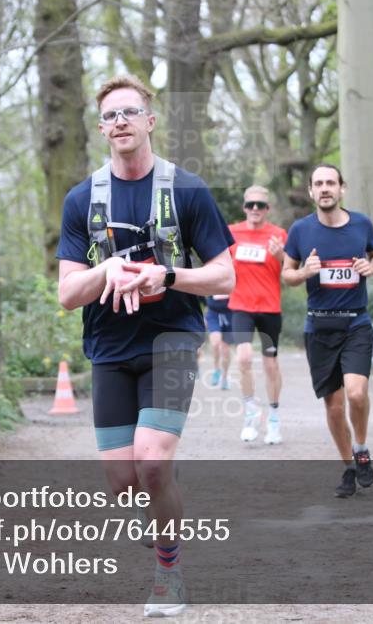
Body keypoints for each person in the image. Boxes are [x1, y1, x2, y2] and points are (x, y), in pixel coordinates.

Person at [56, 75, 235, 617]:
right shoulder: (82, 199)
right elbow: (67, 293)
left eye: (130, 112)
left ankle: (169, 572)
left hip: (171, 342)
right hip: (109, 347)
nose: (121, 123)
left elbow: (224, 277)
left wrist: (169, 277)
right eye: (110, 116)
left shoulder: (188, 190)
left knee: (152, 464)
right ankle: (163, 496)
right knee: (123, 480)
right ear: (102, 129)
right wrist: (106, 267)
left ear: (150, 121)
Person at [281, 164, 373, 498]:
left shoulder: (361, 224)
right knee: (334, 405)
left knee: (356, 393)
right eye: (318, 184)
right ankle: (348, 467)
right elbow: (287, 274)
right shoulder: (300, 230)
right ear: (311, 191)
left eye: (331, 183)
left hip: (356, 322)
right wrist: (304, 272)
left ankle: (362, 447)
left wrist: (372, 266)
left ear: (342, 189)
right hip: (319, 325)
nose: (325, 189)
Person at [227, 185, 287, 445]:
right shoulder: (231, 233)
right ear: (244, 207)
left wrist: (281, 255)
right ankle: (250, 413)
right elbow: (220, 263)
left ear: (267, 209)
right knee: (243, 357)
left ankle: (273, 417)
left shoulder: (278, 234)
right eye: (250, 204)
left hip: (270, 308)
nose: (255, 209)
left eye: (260, 205)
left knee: (270, 365)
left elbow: (290, 270)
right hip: (241, 305)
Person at [204, 293, 234, 389]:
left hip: (230, 314)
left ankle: (225, 377)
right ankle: (216, 369)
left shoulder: (235, 279)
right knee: (215, 344)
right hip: (214, 314)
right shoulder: (209, 279)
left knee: (225, 349)